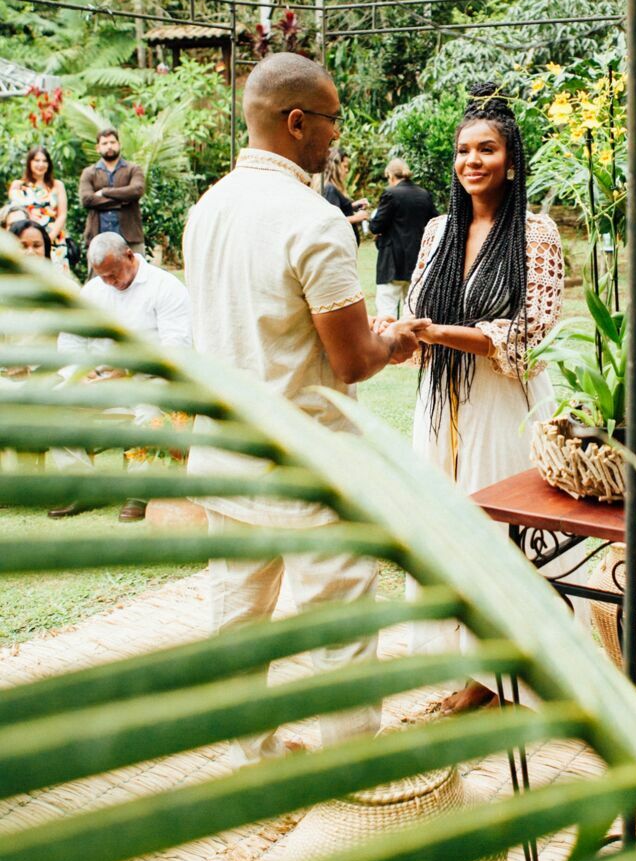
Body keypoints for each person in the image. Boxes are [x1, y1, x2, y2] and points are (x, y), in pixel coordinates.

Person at [182, 52, 428, 765]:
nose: (336, 135)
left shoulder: (207, 209)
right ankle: (355, 777)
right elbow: (352, 360)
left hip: (226, 453)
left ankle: (251, 757)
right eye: (331, 120)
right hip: (307, 460)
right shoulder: (314, 221)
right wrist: (395, 340)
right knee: (341, 626)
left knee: (238, 617)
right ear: (296, 122)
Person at [405, 84, 564, 714]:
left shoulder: (535, 233)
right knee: (449, 533)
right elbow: (416, 310)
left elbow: (530, 335)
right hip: (441, 403)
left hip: (504, 405)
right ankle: (474, 668)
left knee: (502, 536)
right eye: (464, 150)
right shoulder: (438, 231)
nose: (472, 161)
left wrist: (440, 333)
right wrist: (406, 333)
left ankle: (515, 673)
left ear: (512, 161)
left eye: (487, 149)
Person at [49, 232, 193, 523]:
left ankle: (139, 492)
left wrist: (128, 370)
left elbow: (177, 348)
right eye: (102, 276)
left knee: (149, 414)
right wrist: (79, 371)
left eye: (113, 274)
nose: (109, 282)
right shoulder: (93, 291)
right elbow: (71, 340)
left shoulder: (164, 287)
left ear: (129, 255)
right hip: (99, 378)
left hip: (149, 377)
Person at [353, 157, 437, 320]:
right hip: (417, 260)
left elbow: (376, 226)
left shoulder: (391, 194)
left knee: (387, 310)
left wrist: (370, 220)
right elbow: (434, 222)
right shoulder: (423, 194)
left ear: (390, 175)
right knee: (412, 311)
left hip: (392, 262)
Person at [79, 127, 146, 259]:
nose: (109, 146)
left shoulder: (133, 169)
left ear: (119, 144)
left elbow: (137, 190)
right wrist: (123, 200)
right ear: (98, 148)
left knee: (136, 270)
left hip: (130, 237)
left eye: (112, 142)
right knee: (98, 272)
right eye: (105, 143)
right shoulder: (89, 172)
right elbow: (87, 200)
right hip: (98, 237)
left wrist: (104, 192)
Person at [8, 146, 69, 265]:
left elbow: (62, 215)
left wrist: (48, 238)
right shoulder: (18, 185)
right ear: (29, 162)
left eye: (44, 161)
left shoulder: (57, 185)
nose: (41, 164)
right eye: (37, 160)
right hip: (26, 241)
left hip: (54, 238)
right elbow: (13, 213)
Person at [322, 148, 360, 233]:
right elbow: (333, 221)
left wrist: (353, 205)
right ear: (335, 166)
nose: (347, 170)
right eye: (345, 166)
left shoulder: (332, 187)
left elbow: (339, 210)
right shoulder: (330, 189)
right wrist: (357, 217)